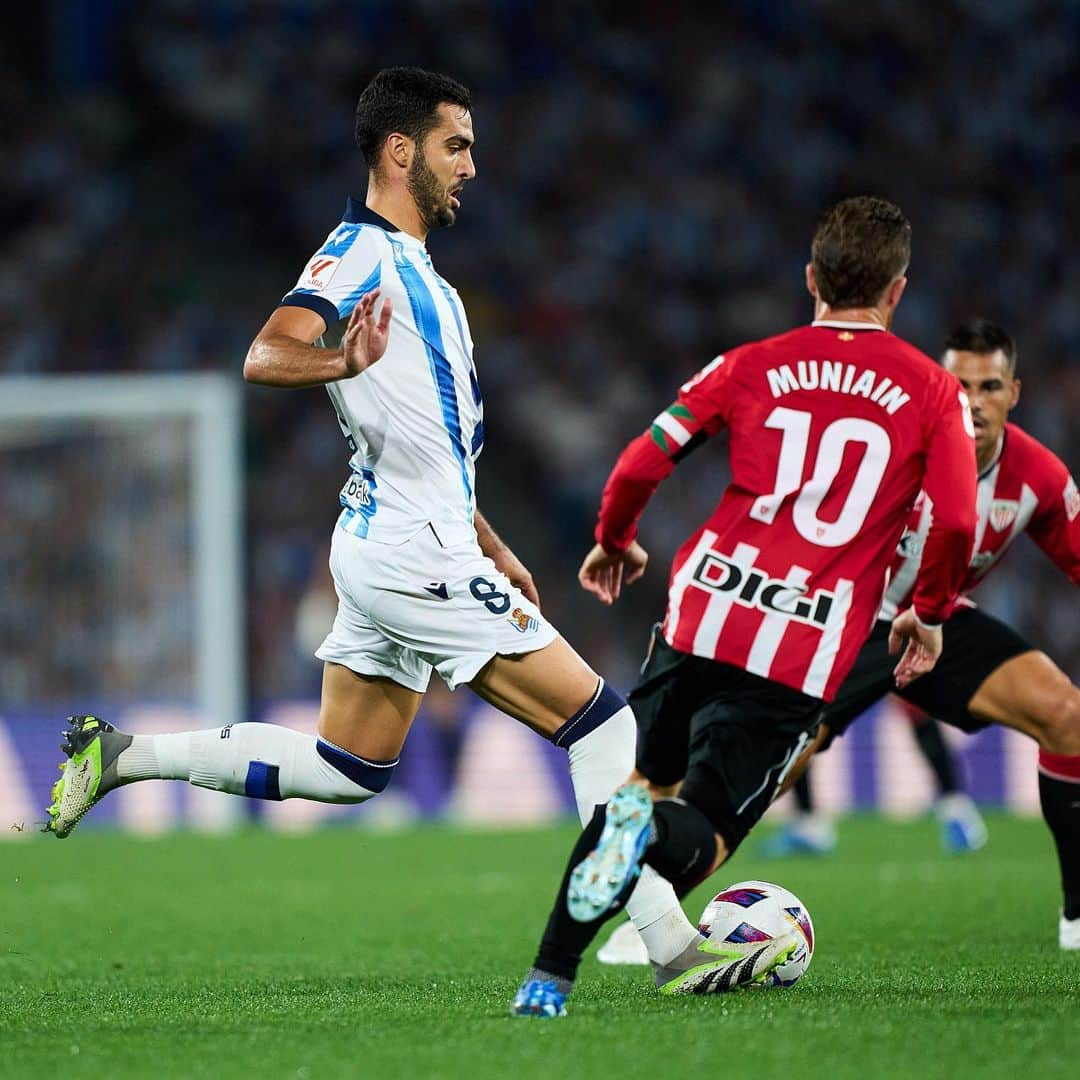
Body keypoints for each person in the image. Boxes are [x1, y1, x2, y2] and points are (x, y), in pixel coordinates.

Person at [42, 67, 684, 958]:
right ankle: (669, 945)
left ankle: (123, 757)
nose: (470, 167)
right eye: (455, 145)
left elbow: (425, 441)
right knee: (603, 725)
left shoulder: (428, 280)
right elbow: (266, 354)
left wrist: (488, 539)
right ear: (399, 149)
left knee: (350, 769)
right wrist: (343, 361)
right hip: (410, 551)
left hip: (410, 538)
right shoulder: (361, 253)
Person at [511, 194, 979, 1017]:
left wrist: (615, 539)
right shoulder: (934, 392)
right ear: (898, 292)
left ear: (811, 279)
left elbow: (639, 462)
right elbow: (960, 518)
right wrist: (930, 615)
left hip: (703, 607)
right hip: (799, 641)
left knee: (634, 796)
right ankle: (643, 845)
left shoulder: (752, 362)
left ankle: (548, 980)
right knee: (701, 832)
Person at [598, 317, 1080, 970]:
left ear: (1013, 393)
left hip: (933, 623)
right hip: (842, 619)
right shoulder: (908, 436)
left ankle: (1077, 912)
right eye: (959, 383)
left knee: (1065, 715)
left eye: (989, 385)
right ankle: (657, 913)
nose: (972, 399)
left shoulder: (1038, 477)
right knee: (772, 768)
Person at [756, 701, 987, 860]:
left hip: (867, 633)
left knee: (807, 708)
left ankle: (956, 810)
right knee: (806, 711)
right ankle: (808, 823)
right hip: (858, 634)